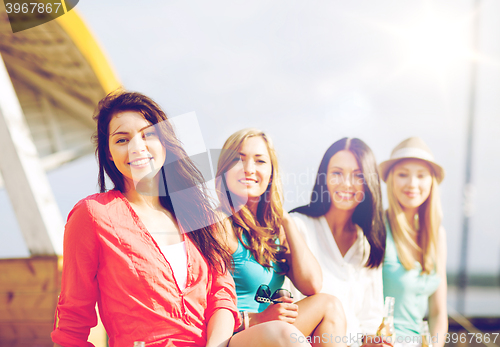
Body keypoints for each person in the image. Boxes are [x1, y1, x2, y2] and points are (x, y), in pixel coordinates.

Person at [51, 92, 311, 347]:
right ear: (109, 153)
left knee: (285, 334)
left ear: (164, 143)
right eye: (122, 139)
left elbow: (222, 294)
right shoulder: (93, 214)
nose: (136, 147)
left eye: (147, 134)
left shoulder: (196, 213)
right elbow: (72, 323)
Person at [215, 128, 347, 347]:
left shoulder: (276, 229)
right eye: (238, 160)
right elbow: (200, 304)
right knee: (283, 332)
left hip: (274, 333)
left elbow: (312, 285)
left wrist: (285, 220)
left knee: (329, 306)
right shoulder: (219, 223)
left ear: (271, 174)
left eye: (259, 161)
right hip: (233, 336)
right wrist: (256, 319)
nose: (249, 169)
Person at [289, 138, 388, 347]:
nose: (346, 183)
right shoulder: (298, 227)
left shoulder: (367, 244)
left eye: (357, 175)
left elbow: (371, 319)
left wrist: (373, 341)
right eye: (337, 173)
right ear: (324, 177)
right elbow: (286, 307)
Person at [379, 137, 448, 347]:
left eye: (421, 175)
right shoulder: (377, 227)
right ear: (391, 180)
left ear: (431, 182)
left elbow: (438, 312)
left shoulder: (437, 235)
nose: (412, 184)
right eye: (403, 174)